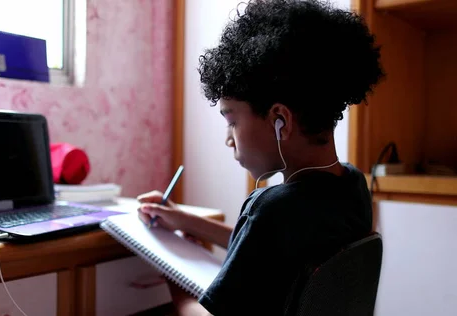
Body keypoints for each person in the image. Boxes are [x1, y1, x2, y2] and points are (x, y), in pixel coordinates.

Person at [136, 0, 385, 315]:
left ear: (280, 119)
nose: (229, 139)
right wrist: (184, 221)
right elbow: (268, 251)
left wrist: (176, 283)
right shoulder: (351, 184)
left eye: (232, 121)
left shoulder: (271, 210)